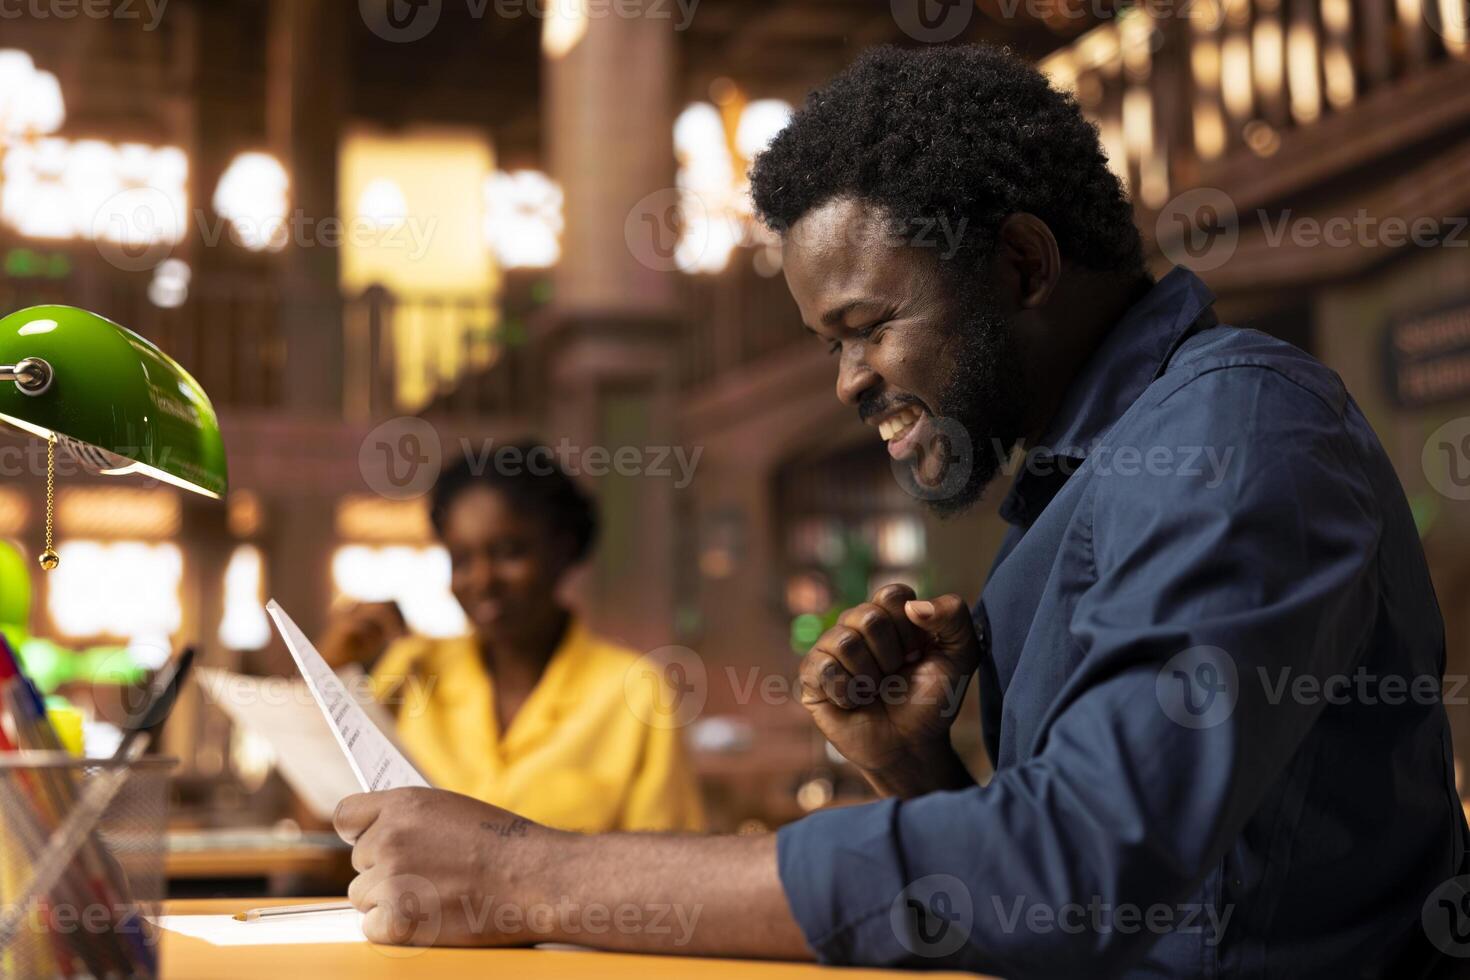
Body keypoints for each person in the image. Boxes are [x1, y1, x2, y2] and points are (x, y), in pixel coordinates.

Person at [330, 46, 1468, 977]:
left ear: (1021, 264)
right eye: (829, 345)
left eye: (868, 326)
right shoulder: (1082, 476)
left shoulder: (1235, 432)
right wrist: (913, 765)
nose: (847, 382)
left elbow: (1077, 869)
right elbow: (1089, 909)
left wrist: (526, 873)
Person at [322, 443, 704, 833]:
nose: (483, 580)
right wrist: (330, 668)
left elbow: (668, 857)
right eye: (462, 560)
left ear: (562, 550)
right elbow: (327, 820)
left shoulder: (636, 691)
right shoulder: (413, 668)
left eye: (508, 553)